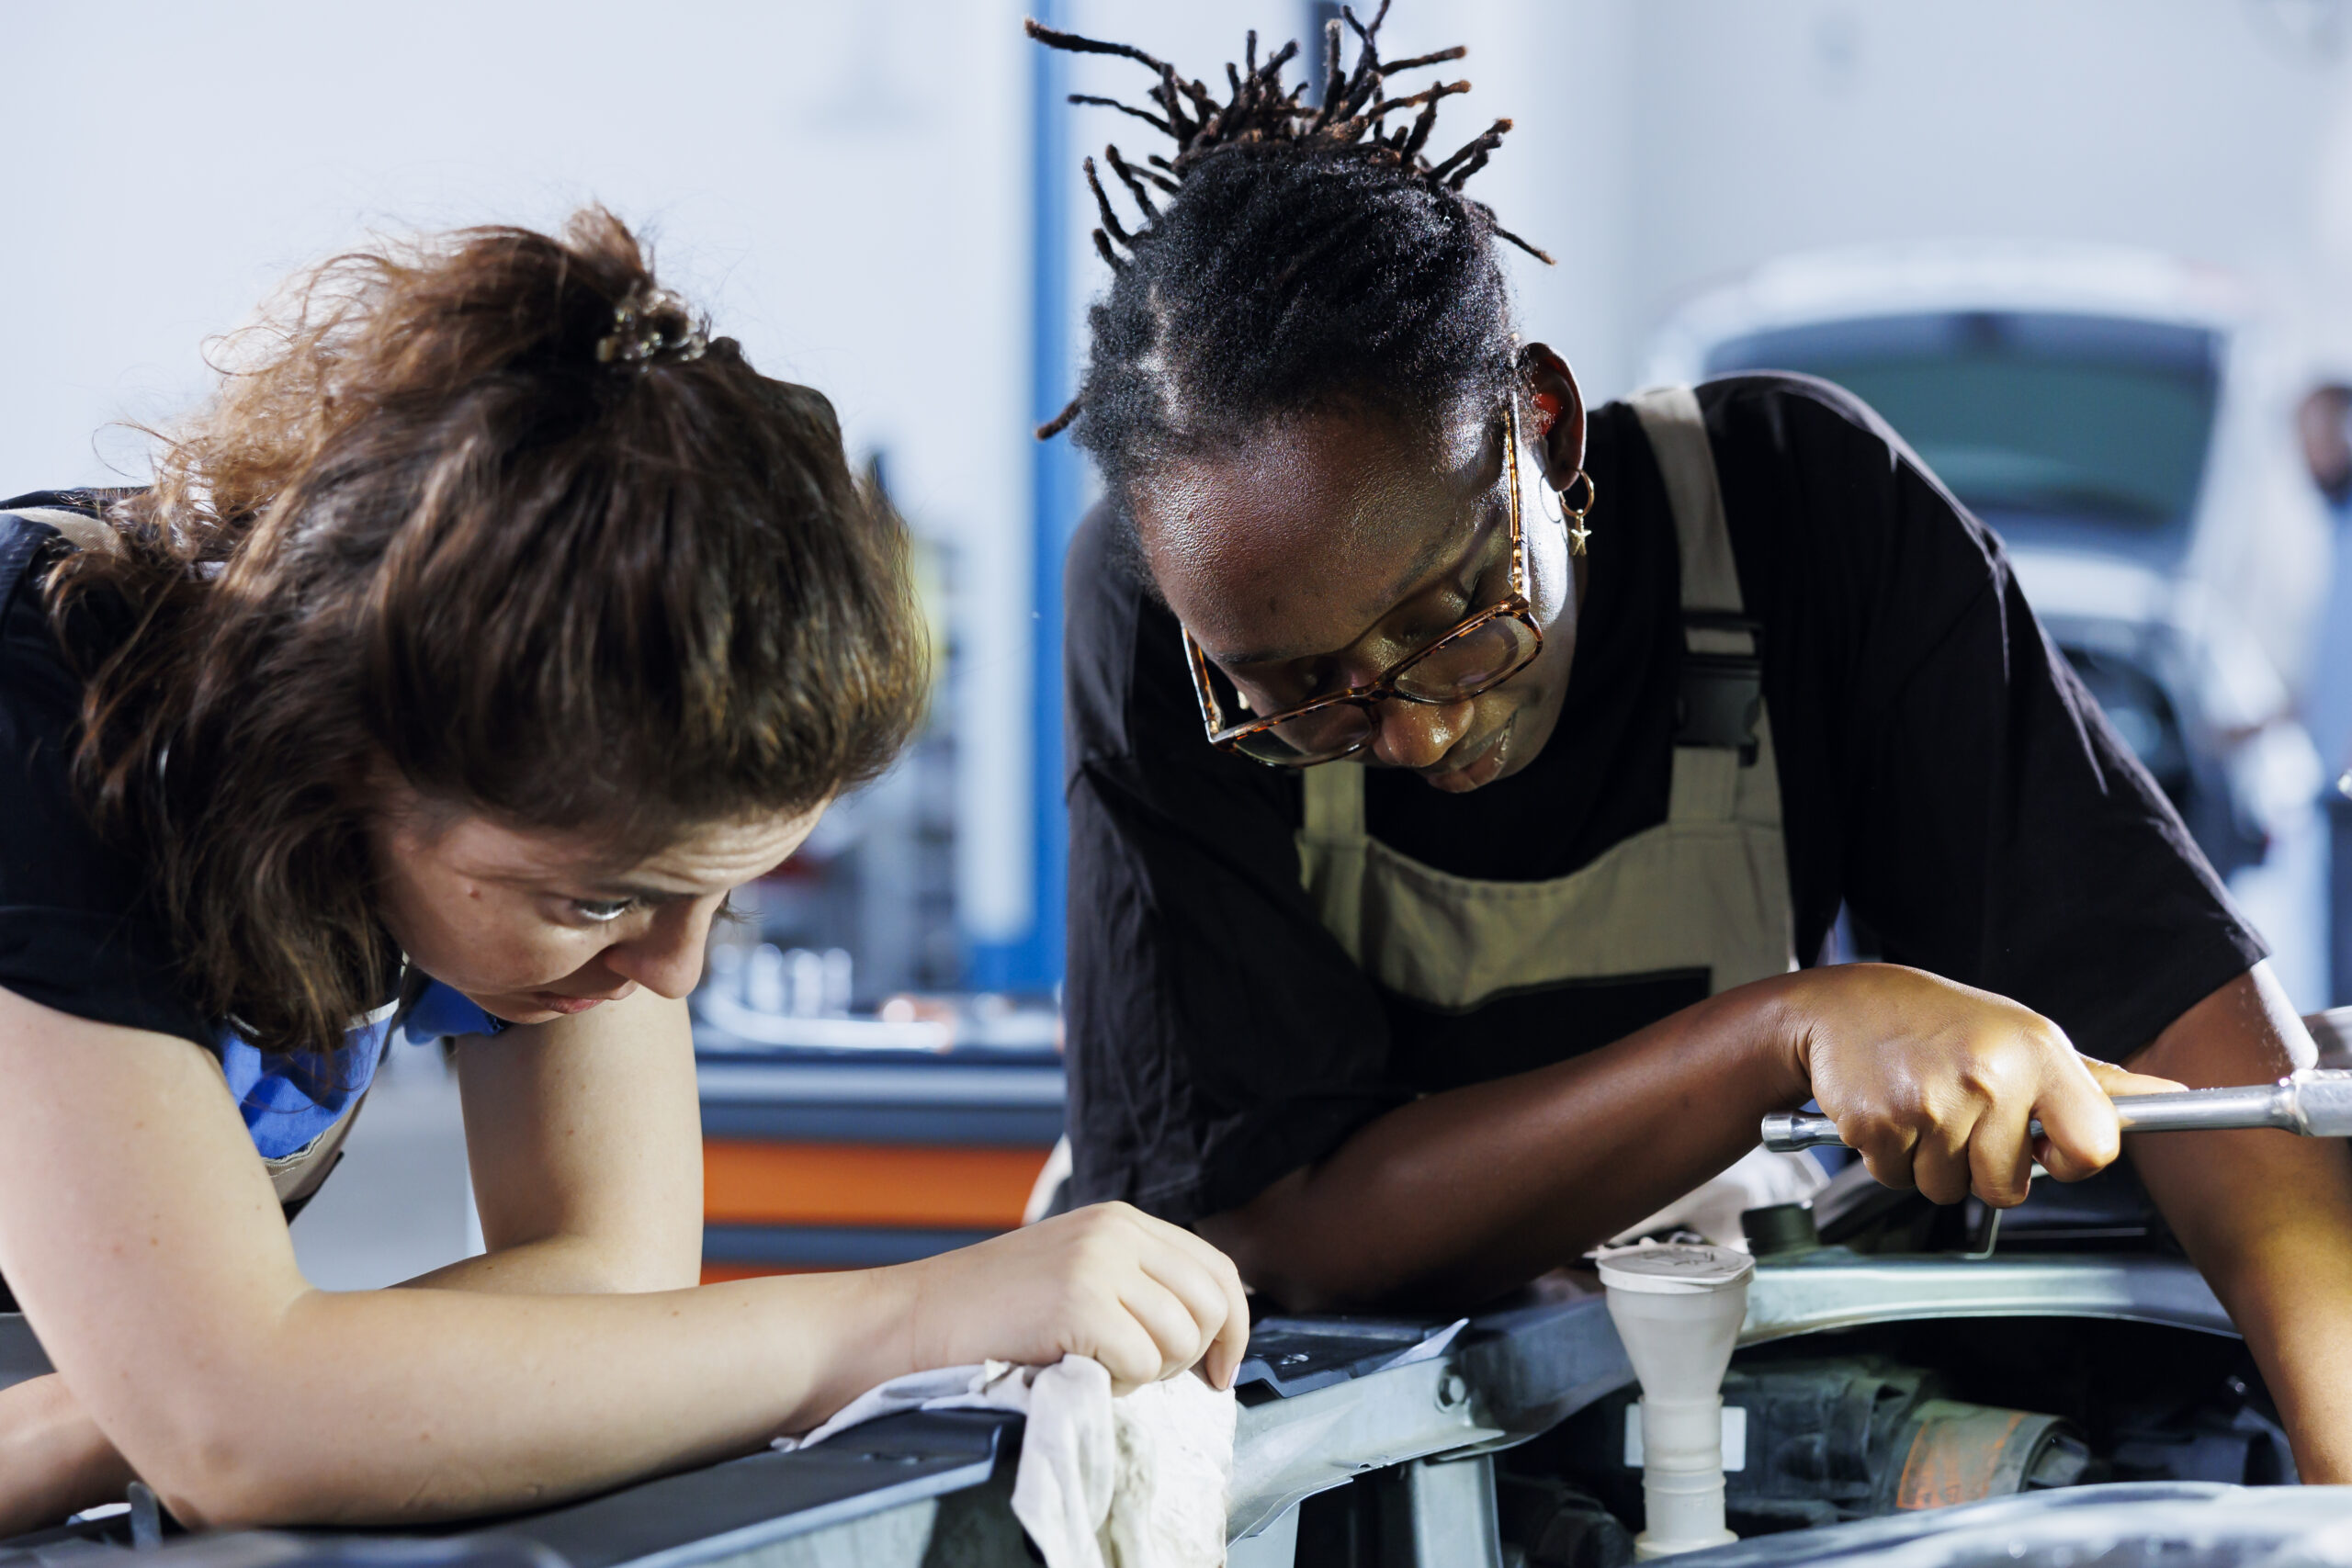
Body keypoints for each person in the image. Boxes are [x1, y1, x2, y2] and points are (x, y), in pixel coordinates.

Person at [1034, 11, 2352, 1479]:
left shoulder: (1803, 518)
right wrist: (1781, 1032)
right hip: (1298, 1435)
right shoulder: (1152, 623)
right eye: (1297, 693)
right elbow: (1278, 1226)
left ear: (1539, 424)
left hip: (1682, 1360)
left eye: (1455, 612)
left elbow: (2220, 1077)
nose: (1410, 726)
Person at [0, 211, 1246, 1535]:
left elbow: (607, 1279)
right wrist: (913, 1311)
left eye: (729, 892)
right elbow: (239, 1432)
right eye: (598, 899)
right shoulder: (51, 725)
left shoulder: (550, 767)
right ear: (344, 748)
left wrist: (128, 1406)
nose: (675, 970)